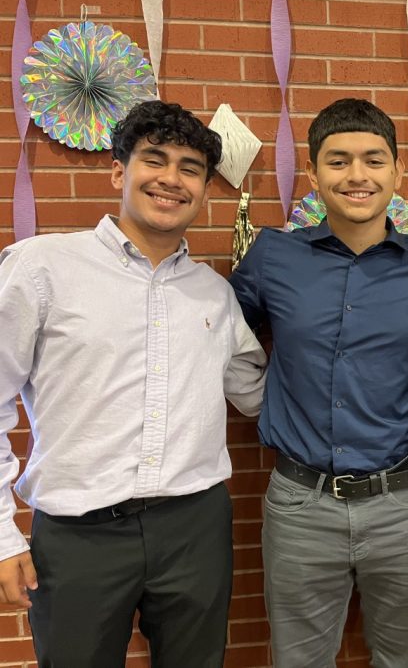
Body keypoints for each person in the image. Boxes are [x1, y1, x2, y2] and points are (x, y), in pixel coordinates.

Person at [0, 100, 268, 666]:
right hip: (79, 537)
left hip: (195, 529)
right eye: (155, 160)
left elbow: (258, 394)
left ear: (203, 189)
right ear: (120, 171)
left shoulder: (213, 294)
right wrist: (3, 537)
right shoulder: (41, 268)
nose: (172, 179)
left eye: (190, 169)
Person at [229, 98, 408, 668]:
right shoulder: (273, 256)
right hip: (301, 504)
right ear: (313, 173)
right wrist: (264, 402)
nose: (358, 175)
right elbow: (214, 336)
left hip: (403, 504)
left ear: (397, 173)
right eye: (339, 161)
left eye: (374, 160)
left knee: (403, 659)